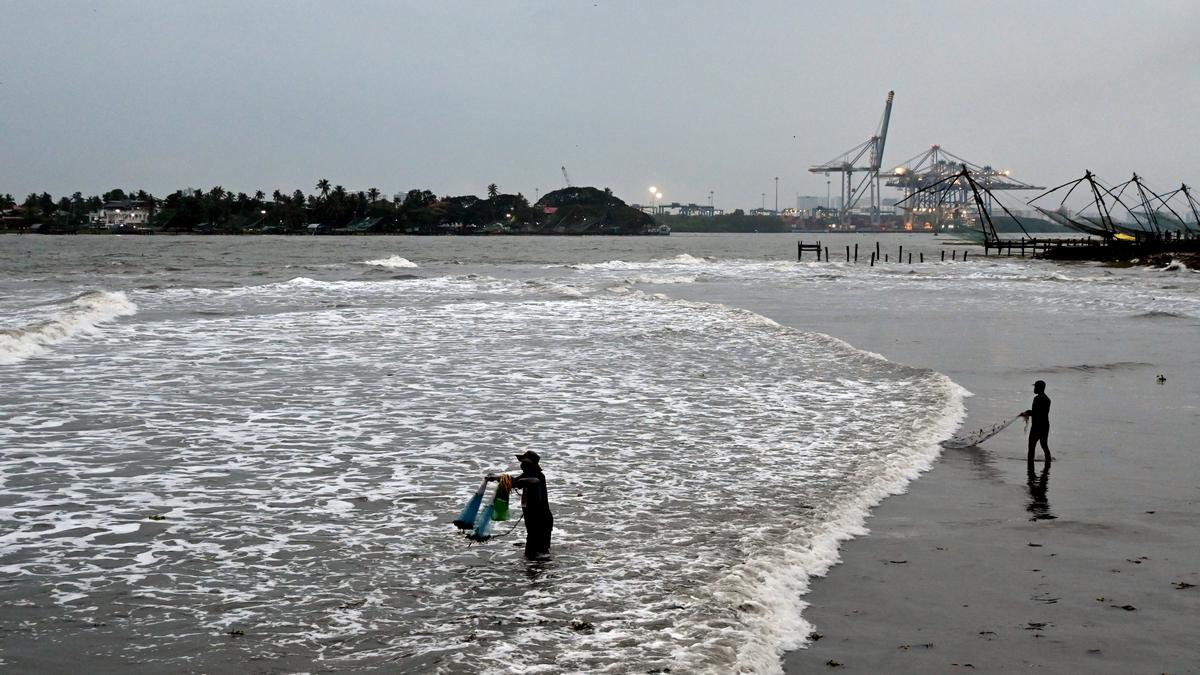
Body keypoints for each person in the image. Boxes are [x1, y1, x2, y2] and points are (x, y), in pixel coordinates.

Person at [489, 450, 553, 559]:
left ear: (531, 465)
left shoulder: (538, 476)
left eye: (525, 463)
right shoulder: (526, 475)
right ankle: (537, 572)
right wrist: (496, 478)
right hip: (533, 519)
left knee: (537, 554)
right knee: (535, 555)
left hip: (541, 520)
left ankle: (537, 573)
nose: (522, 465)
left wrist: (518, 482)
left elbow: (533, 481)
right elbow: (513, 481)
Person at [1020, 380, 1052, 463]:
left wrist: (1027, 413)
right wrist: (1029, 412)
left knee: (1031, 447)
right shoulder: (1047, 399)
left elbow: (1036, 413)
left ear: (1039, 388)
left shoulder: (1037, 398)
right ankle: (1048, 462)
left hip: (1037, 426)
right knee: (1044, 445)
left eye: (1035, 387)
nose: (1034, 388)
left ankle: (1030, 465)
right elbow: (1041, 412)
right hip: (1045, 425)